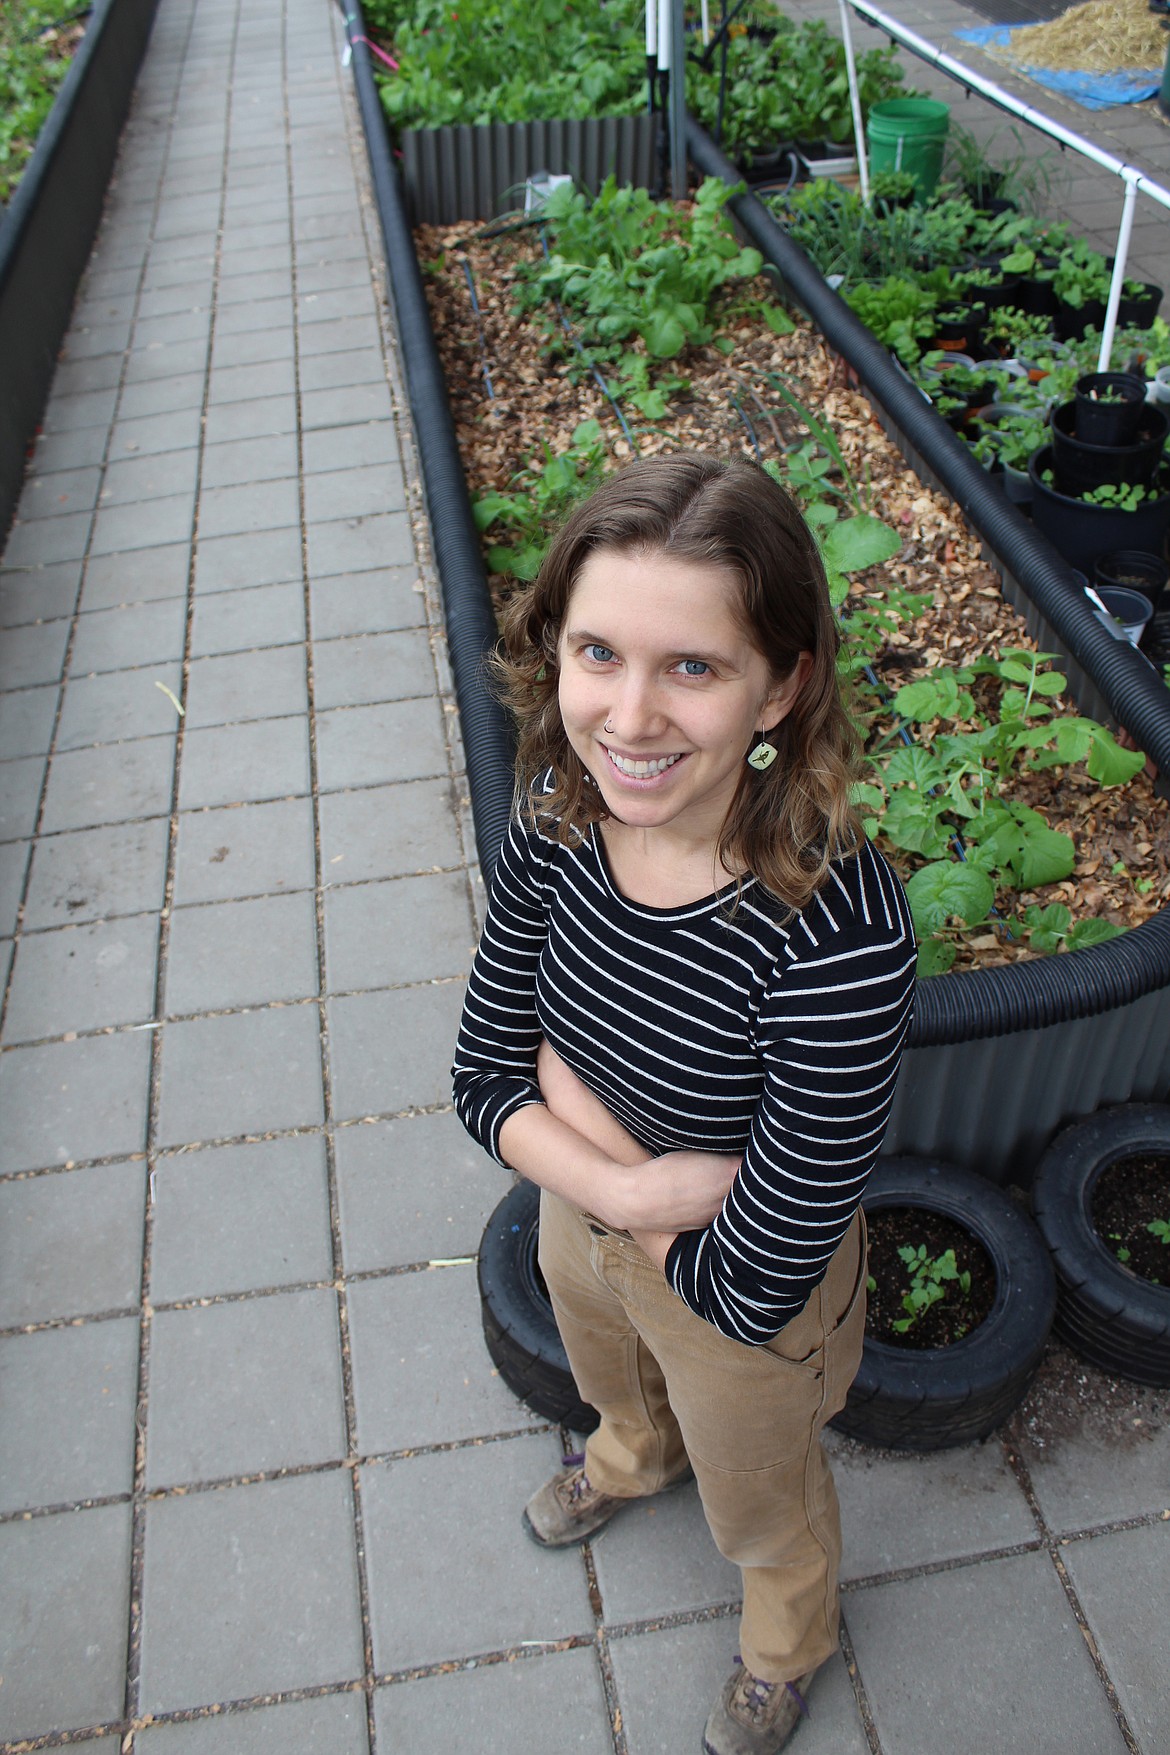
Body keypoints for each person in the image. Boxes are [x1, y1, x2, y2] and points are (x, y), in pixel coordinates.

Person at [452, 451, 916, 1755]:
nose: (630, 718)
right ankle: (622, 1457)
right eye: (597, 653)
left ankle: (788, 1636)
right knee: (605, 1370)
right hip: (591, 1209)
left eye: (692, 668)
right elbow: (486, 1070)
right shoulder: (554, 811)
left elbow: (757, 1276)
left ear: (783, 683)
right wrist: (621, 1189)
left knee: (758, 1496)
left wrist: (568, 1117)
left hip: (735, 1297)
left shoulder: (829, 926)